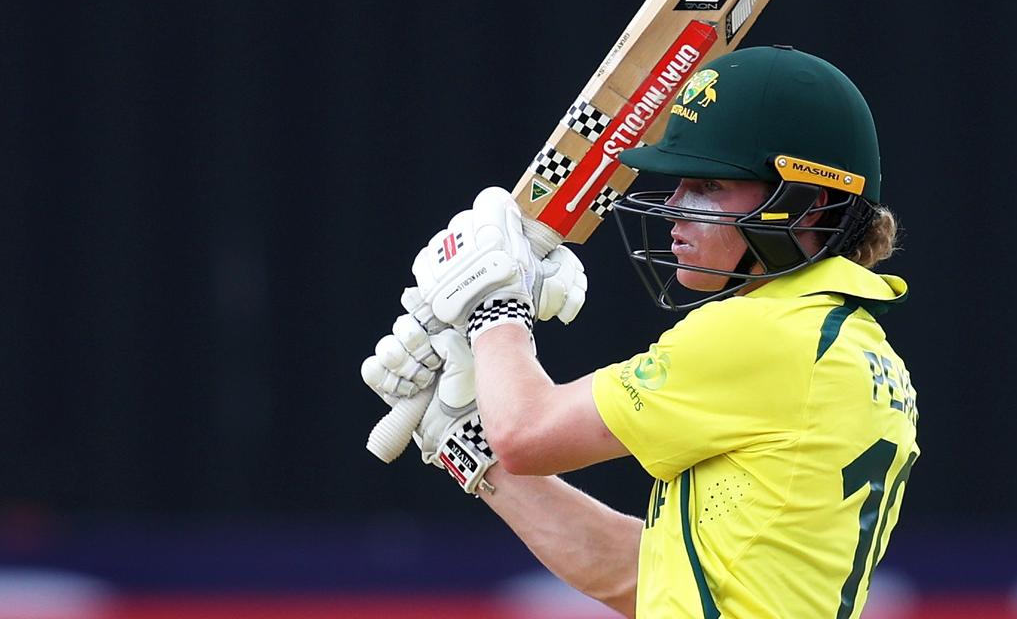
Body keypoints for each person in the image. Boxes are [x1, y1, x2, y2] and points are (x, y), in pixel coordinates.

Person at [362, 46, 919, 618]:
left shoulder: (765, 335)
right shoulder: (858, 349)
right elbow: (636, 577)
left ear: (807, 204)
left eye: (711, 187)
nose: (675, 208)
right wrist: (462, 438)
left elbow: (527, 433)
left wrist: (492, 306)